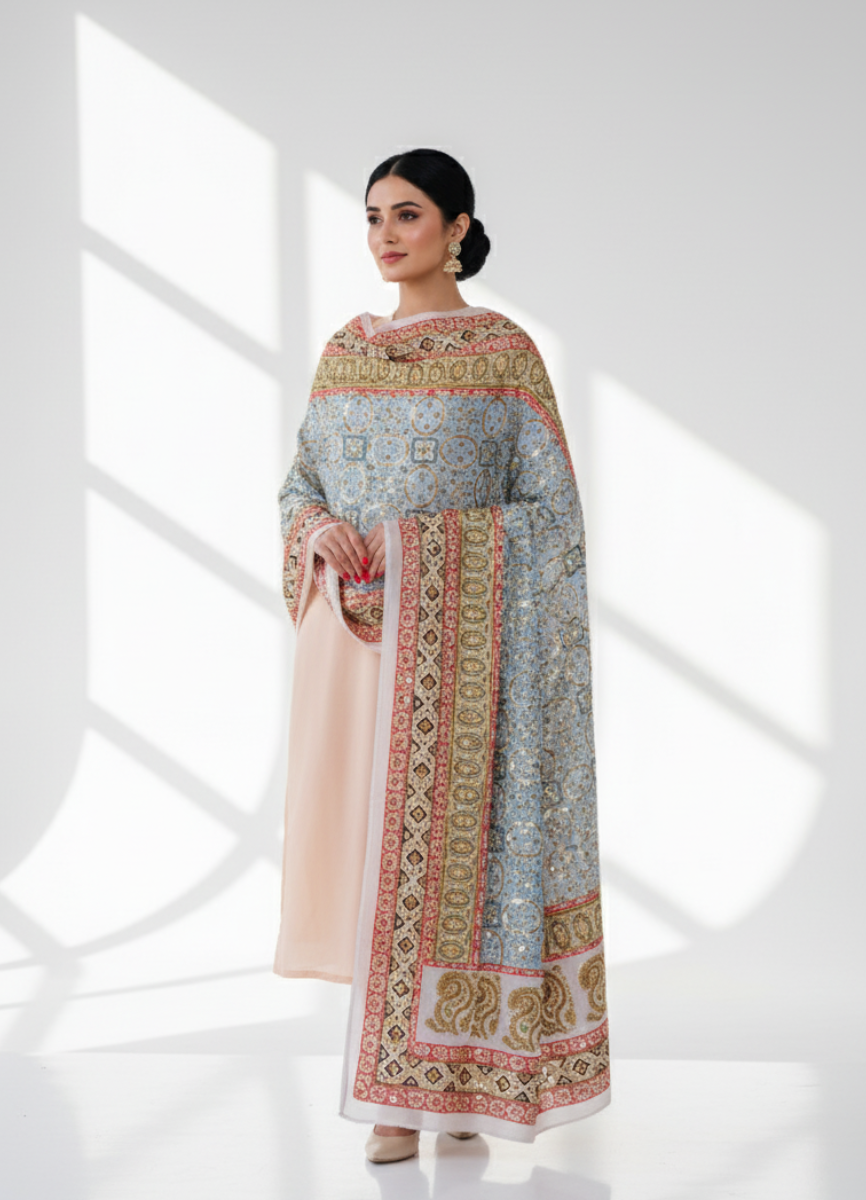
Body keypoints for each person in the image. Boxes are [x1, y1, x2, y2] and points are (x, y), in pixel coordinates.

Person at [274, 148, 610, 1163]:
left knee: (460, 866)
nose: (385, 234)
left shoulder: (504, 355)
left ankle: (439, 1090)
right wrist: (319, 530)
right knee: (375, 862)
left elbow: (552, 517)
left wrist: (425, 550)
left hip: (466, 656)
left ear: (457, 228)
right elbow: (299, 484)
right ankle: (400, 1096)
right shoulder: (345, 352)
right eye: (374, 215)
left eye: (408, 214)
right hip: (354, 649)